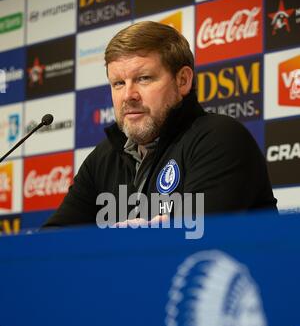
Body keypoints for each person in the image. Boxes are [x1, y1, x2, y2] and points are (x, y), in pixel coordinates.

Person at [43, 21, 277, 228]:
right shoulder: (104, 157)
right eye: (118, 83)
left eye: (143, 78)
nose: (128, 95)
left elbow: (195, 238)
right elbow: (51, 244)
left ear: (183, 80)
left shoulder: (220, 138)